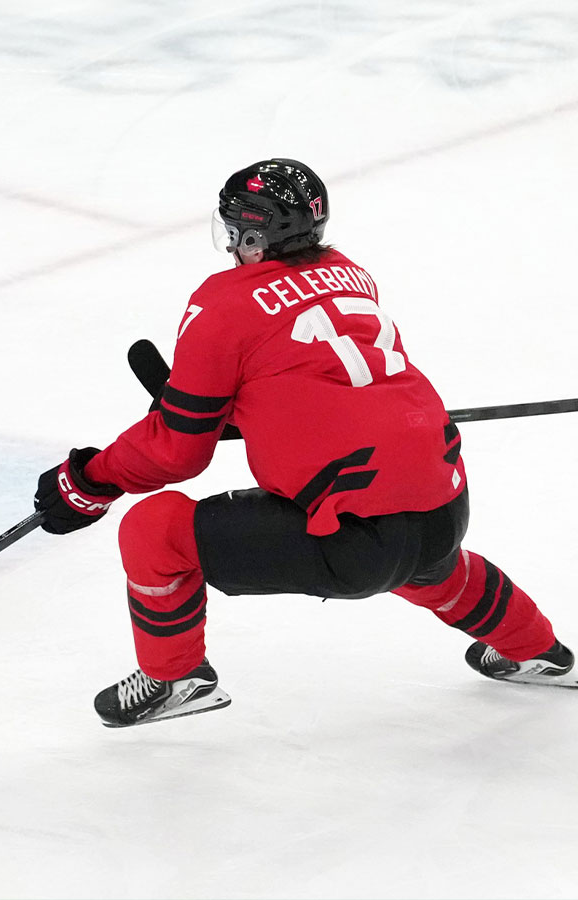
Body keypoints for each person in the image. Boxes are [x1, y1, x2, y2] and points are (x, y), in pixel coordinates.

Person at [32, 158, 574, 728]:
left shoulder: (223, 303)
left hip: (353, 540)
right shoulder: (352, 274)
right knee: (428, 562)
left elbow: (176, 450)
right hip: (445, 507)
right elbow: (320, 383)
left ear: (250, 234)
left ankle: (177, 679)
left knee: (154, 529)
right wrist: (240, 411)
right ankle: (538, 650)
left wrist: (89, 481)